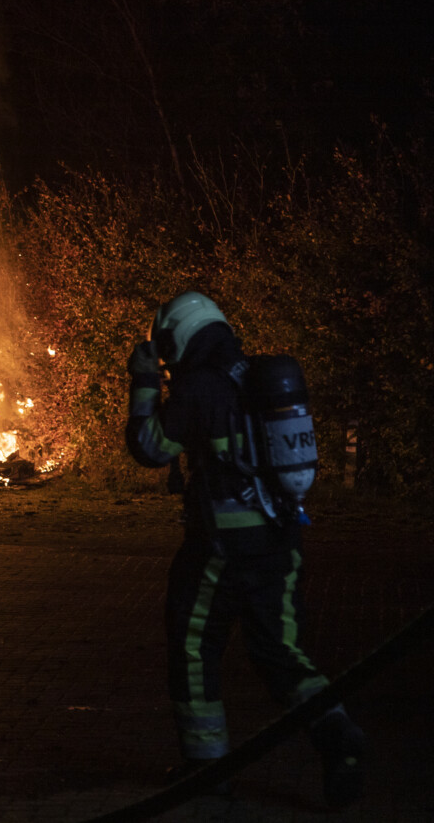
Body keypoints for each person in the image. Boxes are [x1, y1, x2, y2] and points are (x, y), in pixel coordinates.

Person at [125, 291, 365, 808]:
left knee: (193, 648)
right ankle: (336, 733)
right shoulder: (256, 379)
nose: (166, 358)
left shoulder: (199, 389)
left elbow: (150, 447)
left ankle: (206, 770)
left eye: (165, 348)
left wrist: (144, 381)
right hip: (281, 544)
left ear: (178, 337)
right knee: (281, 653)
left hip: (220, 551)